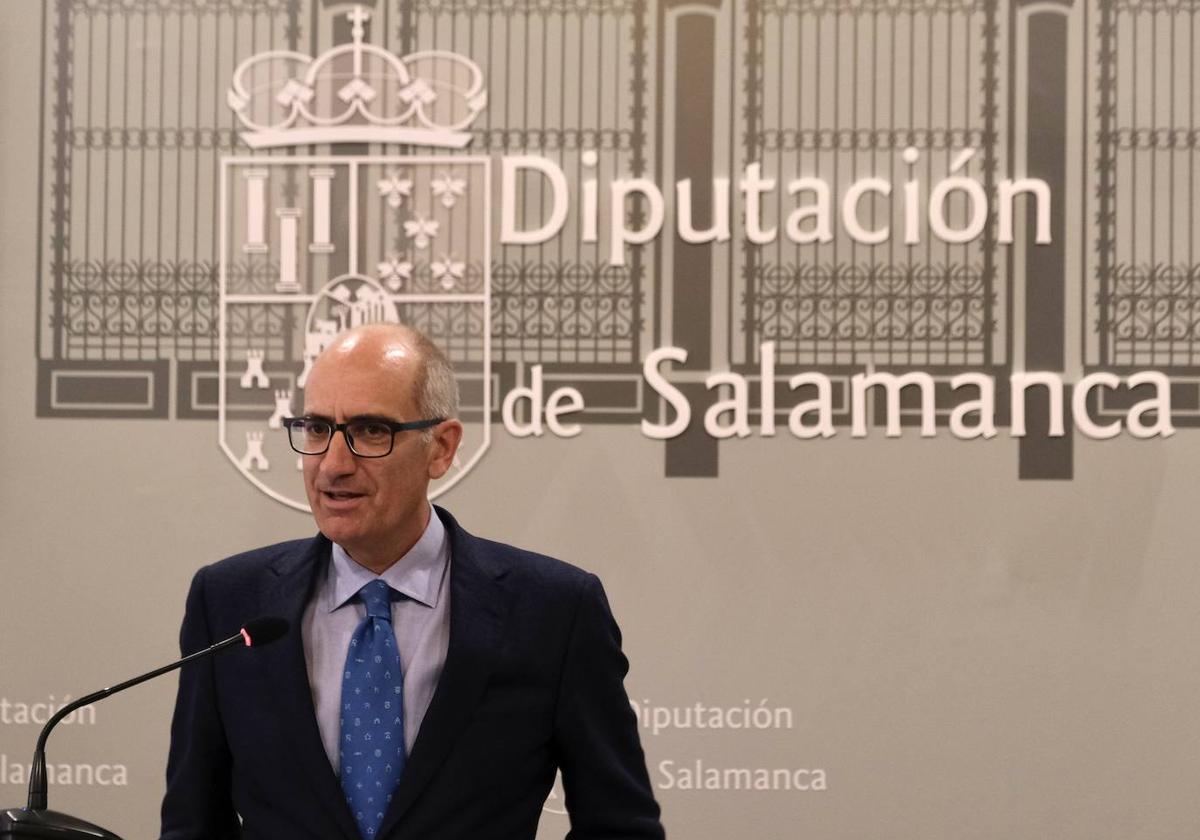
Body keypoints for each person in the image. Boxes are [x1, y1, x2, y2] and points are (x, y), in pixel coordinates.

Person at [160, 324, 664, 840]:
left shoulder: (554, 611)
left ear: (441, 448)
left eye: (371, 431)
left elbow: (620, 827)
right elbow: (192, 824)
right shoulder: (229, 602)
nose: (333, 465)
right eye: (316, 428)